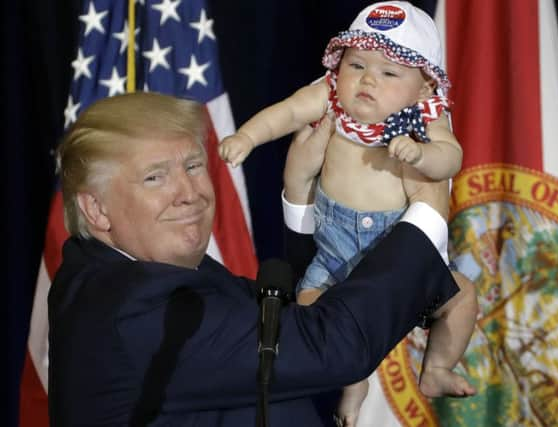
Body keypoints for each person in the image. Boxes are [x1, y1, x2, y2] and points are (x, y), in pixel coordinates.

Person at [48, 91, 460, 427]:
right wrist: (426, 208)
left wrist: (299, 191)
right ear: (97, 210)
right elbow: (332, 345)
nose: (189, 192)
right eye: (155, 177)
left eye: (193, 166)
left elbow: (295, 318)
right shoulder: (130, 306)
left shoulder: (160, 276)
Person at [218, 1, 477, 424]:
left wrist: (423, 154)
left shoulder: (425, 117)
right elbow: (286, 112)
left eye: (390, 73)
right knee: (310, 308)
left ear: (424, 87)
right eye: (356, 65)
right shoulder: (329, 98)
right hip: (335, 252)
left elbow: (451, 159)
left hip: (400, 252)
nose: (368, 80)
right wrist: (248, 137)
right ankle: (352, 392)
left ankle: (437, 368)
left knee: (463, 298)